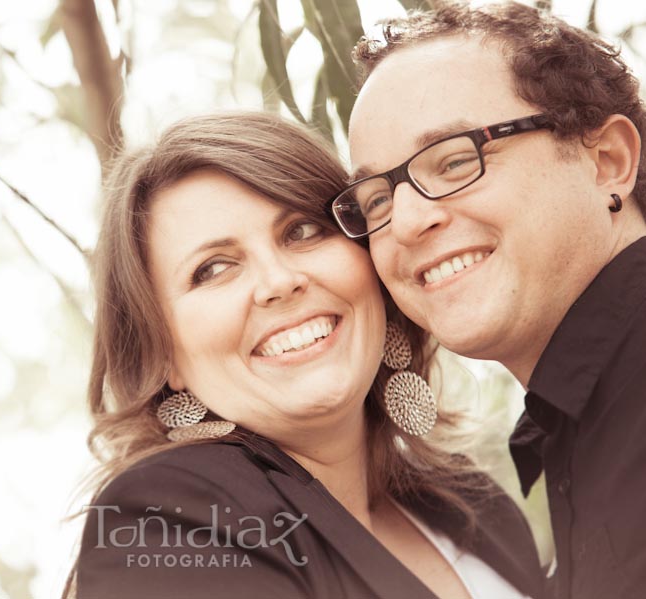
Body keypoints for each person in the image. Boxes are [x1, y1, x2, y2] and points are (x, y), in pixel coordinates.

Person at [66, 112, 544, 599]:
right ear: (161, 354)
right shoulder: (165, 518)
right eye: (213, 269)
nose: (278, 282)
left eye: (301, 231)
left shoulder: (477, 507)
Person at [330, 2, 646, 598]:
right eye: (375, 199)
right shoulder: (576, 437)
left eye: (454, 160)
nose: (406, 221)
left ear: (608, 162)